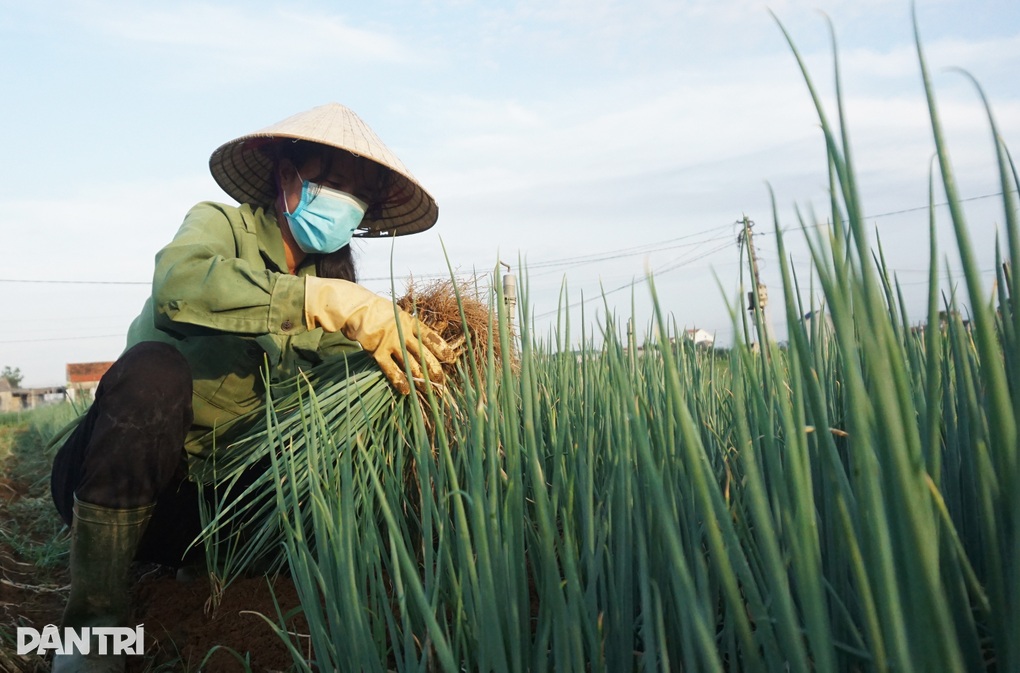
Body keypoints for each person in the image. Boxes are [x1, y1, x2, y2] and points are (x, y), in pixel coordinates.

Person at [48, 103, 456, 672]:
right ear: (287, 176)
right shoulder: (221, 226)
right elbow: (178, 284)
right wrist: (319, 300)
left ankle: (213, 565)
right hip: (125, 479)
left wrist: (417, 361)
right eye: (335, 184)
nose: (346, 203)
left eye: (358, 196)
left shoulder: (337, 294)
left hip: (222, 514)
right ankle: (93, 629)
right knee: (153, 373)